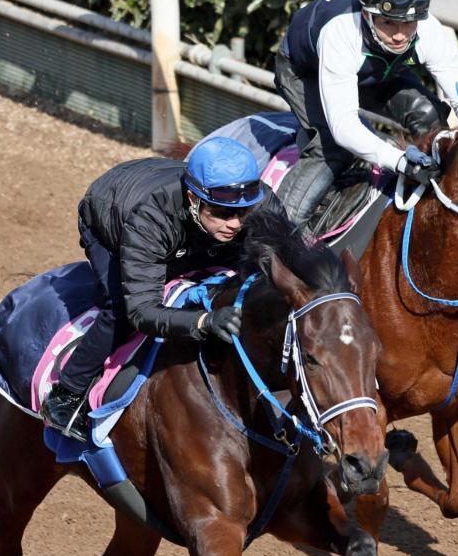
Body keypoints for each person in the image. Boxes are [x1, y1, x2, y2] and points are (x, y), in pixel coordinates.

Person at [40, 136, 287, 442]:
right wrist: (203, 322)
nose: (235, 223)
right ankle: (66, 393)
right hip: (111, 213)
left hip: (183, 222)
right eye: (223, 212)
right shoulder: (150, 219)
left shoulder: (261, 204)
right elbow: (142, 311)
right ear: (194, 199)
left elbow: (290, 269)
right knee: (118, 308)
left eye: (243, 212)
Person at [274, 0, 458, 225]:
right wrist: (400, 161)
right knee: (331, 147)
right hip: (305, 69)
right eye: (389, 23)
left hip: (375, 71)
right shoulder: (341, 33)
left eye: (409, 23)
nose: (400, 35)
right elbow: (344, 128)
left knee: (431, 117)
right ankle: (273, 233)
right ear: (367, 14)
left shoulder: (430, 30)